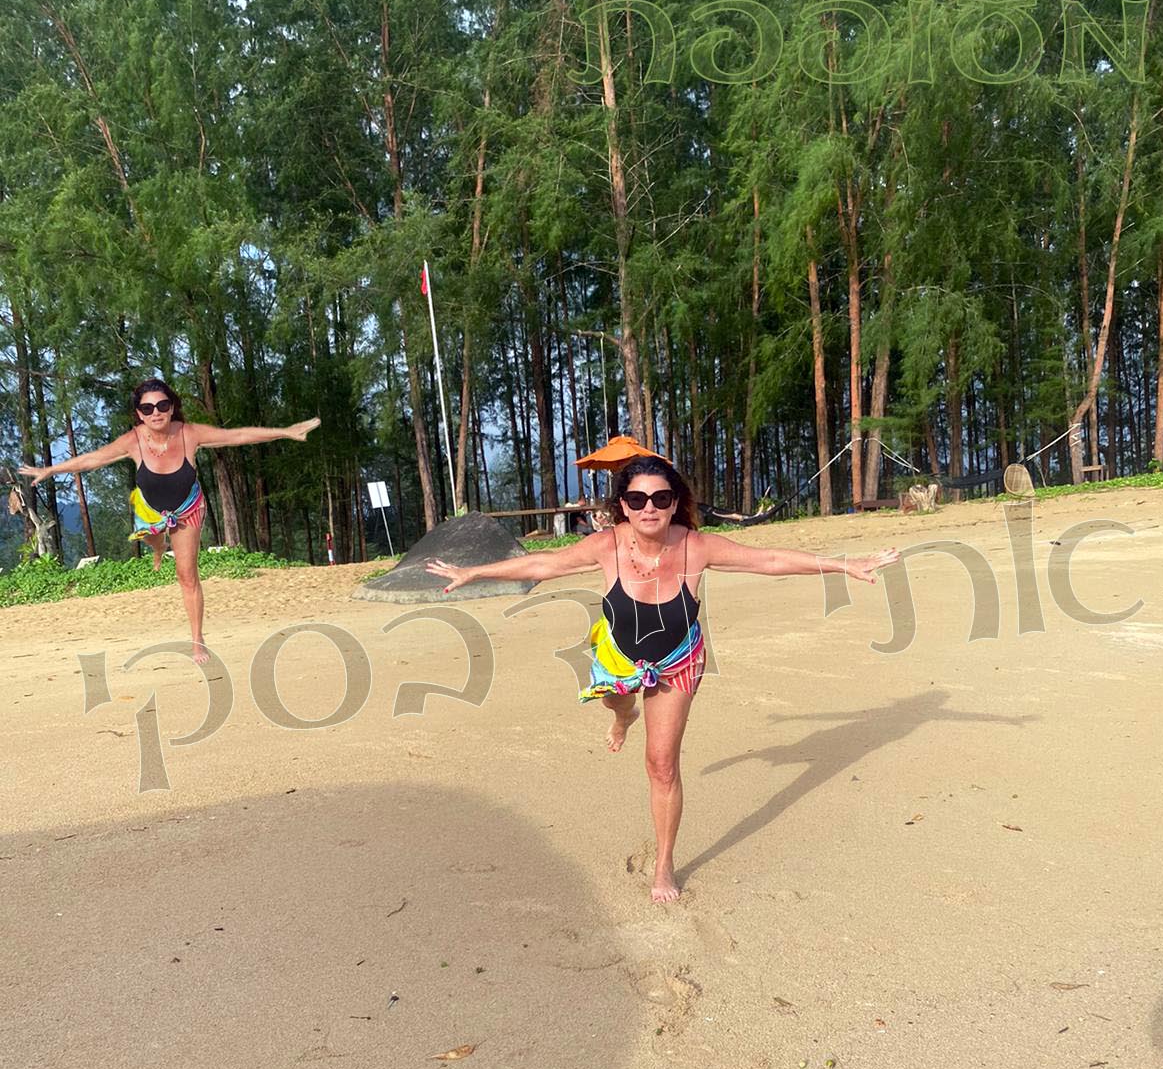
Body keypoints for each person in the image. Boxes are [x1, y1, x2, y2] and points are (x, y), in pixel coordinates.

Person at [427, 454, 899, 905]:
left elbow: (769, 561)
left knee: (661, 764)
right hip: (618, 656)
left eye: (660, 498)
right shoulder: (607, 546)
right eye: (637, 499)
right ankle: (623, 716)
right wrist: (474, 572)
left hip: (677, 660)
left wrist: (845, 565)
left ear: (675, 503)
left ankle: (664, 863)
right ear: (623, 505)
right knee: (617, 702)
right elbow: (541, 565)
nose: (648, 508)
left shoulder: (696, 547)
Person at [19, 378, 319, 665]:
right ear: (139, 414)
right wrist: (50, 470)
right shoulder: (133, 440)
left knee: (186, 575)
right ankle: (159, 546)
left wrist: (286, 431)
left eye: (162, 405)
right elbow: (93, 459)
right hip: (150, 510)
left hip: (187, 509)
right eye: (147, 408)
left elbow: (236, 436)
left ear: (172, 407)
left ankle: (197, 638)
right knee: (152, 539)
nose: (156, 413)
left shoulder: (190, 434)